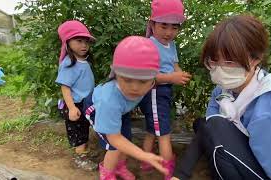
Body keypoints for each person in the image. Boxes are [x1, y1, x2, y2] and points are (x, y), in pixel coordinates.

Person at [172, 14, 271, 180]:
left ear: (255, 59)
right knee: (203, 124)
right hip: (253, 155)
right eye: (214, 61)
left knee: (216, 127)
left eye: (230, 62)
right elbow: (207, 128)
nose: (220, 69)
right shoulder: (223, 91)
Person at [83, 36, 168, 180]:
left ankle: (120, 167)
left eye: (142, 81)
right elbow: (115, 139)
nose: (134, 88)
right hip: (97, 109)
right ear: (116, 74)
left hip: (121, 110)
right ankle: (107, 173)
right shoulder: (108, 99)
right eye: (127, 79)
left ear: (153, 78)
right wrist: (143, 155)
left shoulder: (150, 83)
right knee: (115, 147)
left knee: (126, 139)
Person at [138, 0, 191, 178]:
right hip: (154, 93)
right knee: (164, 133)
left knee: (153, 130)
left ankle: (146, 162)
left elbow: (174, 65)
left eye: (174, 27)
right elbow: (147, 77)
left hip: (164, 93)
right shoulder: (150, 45)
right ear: (152, 25)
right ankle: (168, 170)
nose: (169, 32)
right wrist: (171, 78)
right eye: (164, 26)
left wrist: (180, 74)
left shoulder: (172, 45)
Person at [55, 20, 97, 171]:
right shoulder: (68, 64)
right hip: (74, 104)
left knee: (84, 130)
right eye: (79, 41)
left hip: (84, 104)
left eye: (86, 41)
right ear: (67, 42)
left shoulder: (84, 61)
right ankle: (80, 159)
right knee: (78, 134)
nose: (84, 45)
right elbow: (65, 88)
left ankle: (83, 154)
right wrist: (71, 108)